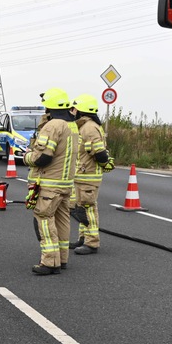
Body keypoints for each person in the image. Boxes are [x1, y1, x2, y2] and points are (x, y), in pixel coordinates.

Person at [23, 87, 80, 275]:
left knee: (44, 219)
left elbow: (44, 158)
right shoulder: (72, 126)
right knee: (63, 220)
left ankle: (49, 262)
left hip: (50, 183)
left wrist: (28, 157)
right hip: (66, 184)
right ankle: (62, 259)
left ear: (50, 106)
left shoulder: (53, 125)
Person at [69, 94, 113, 255]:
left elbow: (100, 154)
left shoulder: (89, 128)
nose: (72, 111)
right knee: (82, 208)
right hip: (82, 175)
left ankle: (92, 242)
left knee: (89, 209)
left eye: (74, 108)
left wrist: (105, 164)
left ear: (82, 110)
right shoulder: (83, 127)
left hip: (88, 176)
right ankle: (83, 238)